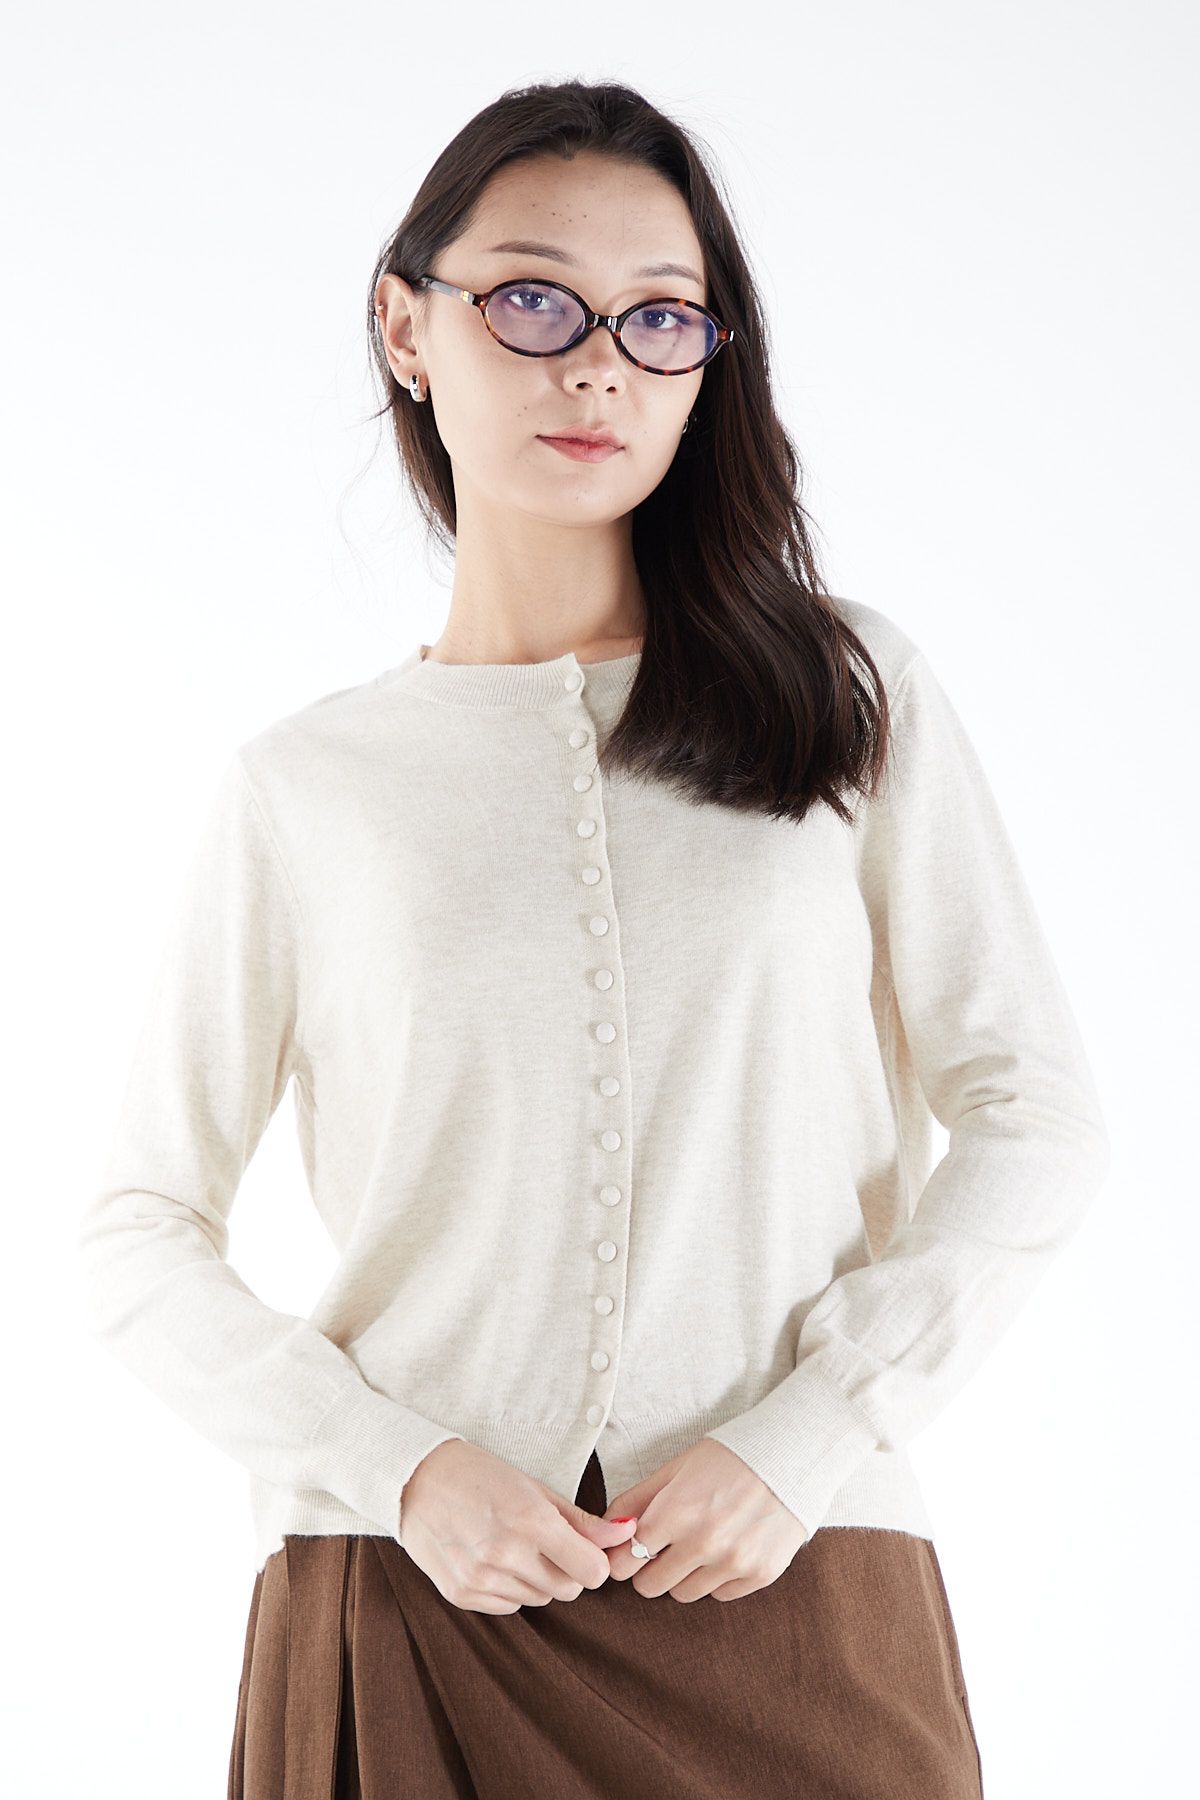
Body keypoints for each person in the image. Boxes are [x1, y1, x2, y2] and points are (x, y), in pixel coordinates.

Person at [77, 77, 1110, 1800]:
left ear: (710, 360)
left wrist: (807, 1437)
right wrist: (398, 1470)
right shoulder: (308, 788)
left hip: (795, 1583)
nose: (600, 367)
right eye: (534, 303)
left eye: (660, 318)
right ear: (405, 326)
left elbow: (1037, 1115)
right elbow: (134, 1229)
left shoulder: (847, 696)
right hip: (413, 1603)